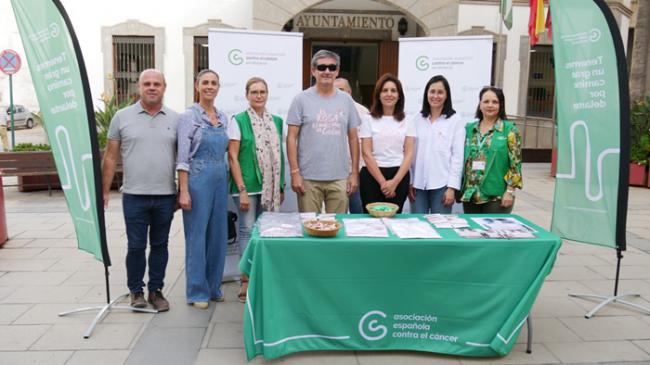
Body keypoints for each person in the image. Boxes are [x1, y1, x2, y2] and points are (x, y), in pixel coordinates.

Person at [102, 69, 178, 311]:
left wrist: (183, 190)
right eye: (147, 84)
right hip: (134, 195)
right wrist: (103, 191)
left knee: (160, 245)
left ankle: (156, 291)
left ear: (165, 87)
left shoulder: (176, 119)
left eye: (157, 83)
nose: (152, 87)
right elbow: (111, 157)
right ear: (139, 87)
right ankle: (136, 291)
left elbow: (185, 159)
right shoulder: (121, 117)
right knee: (135, 246)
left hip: (165, 195)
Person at [176, 69, 230, 310]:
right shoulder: (189, 116)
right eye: (205, 82)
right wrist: (184, 190)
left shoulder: (223, 117)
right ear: (197, 86)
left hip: (221, 176)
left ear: (219, 88)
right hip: (198, 176)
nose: (209, 86)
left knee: (218, 234)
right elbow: (182, 157)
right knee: (197, 235)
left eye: (214, 83)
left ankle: (214, 286)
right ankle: (197, 290)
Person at [228, 77, 284, 303]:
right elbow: (232, 156)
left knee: (266, 234)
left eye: (262, 91)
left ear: (267, 94)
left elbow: (279, 157)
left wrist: (280, 186)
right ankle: (246, 281)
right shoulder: (238, 121)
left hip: (270, 188)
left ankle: (262, 277)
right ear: (247, 95)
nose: (258, 95)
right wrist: (241, 189)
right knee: (247, 232)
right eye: (254, 92)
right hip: (247, 187)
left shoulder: (277, 121)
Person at [286, 50, 361, 213]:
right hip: (308, 178)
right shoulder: (301, 100)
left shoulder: (346, 100)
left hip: (340, 177)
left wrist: (354, 173)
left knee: (337, 228)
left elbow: (354, 138)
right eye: (322, 67)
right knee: (310, 228)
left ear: (337, 71)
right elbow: (291, 138)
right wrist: (294, 173)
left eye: (332, 67)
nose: (327, 71)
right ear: (313, 71)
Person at [460, 86, 522, 213]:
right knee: (472, 232)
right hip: (471, 193)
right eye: (486, 101)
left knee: (492, 232)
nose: (490, 105)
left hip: (497, 196)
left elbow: (515, 164)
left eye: (495, 102)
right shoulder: (469, 129)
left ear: (501, 105)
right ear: (480, 104)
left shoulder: (509, 130)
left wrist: (509, 191)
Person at [359, 73, 415, 213]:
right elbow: (366, 153)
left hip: (399, 176)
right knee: (372, 223)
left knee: (395, 221)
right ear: (378, 95)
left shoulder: (408, 120)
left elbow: (408, 154)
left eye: (393, 90)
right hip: (372, 177)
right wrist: (383, 183)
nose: (389, 94)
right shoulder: (368, 119)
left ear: (399, 95)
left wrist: (394, 182)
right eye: (385, 90)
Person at [409, 75, 465, 214]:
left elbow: (457, 157)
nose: (435, 96)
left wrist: (452, 187)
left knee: (441, 228)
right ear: (426, 94)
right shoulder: (416, 119)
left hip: (443, 186)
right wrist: (409, 181)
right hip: (418, 185)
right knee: (418, 227)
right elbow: (409, 154)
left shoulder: (455, 121)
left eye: (440, 92)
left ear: (447, 95)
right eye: (432, 91)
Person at [333, 77, 369, 214]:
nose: (338, 93)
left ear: (349, 91)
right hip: (334, 174)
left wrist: (356, 173)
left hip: (357, 173)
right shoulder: (328, 111)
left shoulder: (363, 113)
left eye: (341, 90)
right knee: (335, 213)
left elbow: (366, 145)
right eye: (335, 90)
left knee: (357, 210)